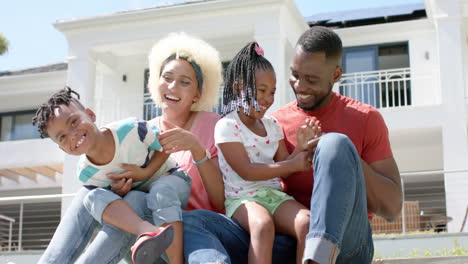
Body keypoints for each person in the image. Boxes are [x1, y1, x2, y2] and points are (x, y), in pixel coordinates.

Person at [181, 27, 402, 264]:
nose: (299, 86)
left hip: (346, 246)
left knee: (334, 144)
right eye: (295, 75)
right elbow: (256, 174)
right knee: (194, 222)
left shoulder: (365, 118)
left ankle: (319, 254)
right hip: (287, 241)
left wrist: (342, 159)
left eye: (312, 79)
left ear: (336, 75)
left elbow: (392, 209)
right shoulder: (273, 123)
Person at [36, 32, 224, 264]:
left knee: (133, 199)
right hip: (145, 233)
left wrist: (197, 150)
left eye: (184, 82)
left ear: (198, 93)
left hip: (186, 228)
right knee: (91, 194)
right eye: (166, 77)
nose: (173, 86)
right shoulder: (144, 129)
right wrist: (117, 189)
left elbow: (220, 201)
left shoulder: (212, 125)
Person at [33, 86, 191, 264]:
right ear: (62, 149)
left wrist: (145, 172)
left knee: (154, 192)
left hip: (168, 181)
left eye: (74, 122)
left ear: (91, 115)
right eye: (62, 137)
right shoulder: (86, 173)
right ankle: (147, 231)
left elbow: (166, 146)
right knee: (92, 196)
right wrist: (117, 192)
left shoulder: (131, 130)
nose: (72, 135)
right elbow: (107, 207)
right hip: (138, 201)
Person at [214, 41, 318, 264]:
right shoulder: (227, 126)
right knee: (262, 226)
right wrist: (292, 164)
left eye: (272, 92)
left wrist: (300, 147)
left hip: (273, 196)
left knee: (307, 223)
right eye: (261, 90)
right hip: (242, 199)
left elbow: (284, 166)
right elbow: (247, 171)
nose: (268, 99)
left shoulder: (272, 125)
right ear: (239, 88)